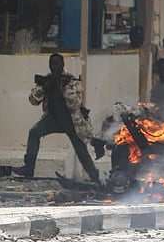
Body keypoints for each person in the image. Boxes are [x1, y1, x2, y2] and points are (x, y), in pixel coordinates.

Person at [12, 53, 101, 183]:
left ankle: (95, 177)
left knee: (81, 150)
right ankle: (29, 168)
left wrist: (64, 88)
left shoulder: (71, 81)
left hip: (72, 121)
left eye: (57, 63)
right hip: (53, 119)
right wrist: (45, 87)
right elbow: (33, 100)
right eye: (52, 64)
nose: (54, 66)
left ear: (63, 65)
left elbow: (75, 104)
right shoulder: (47, 80)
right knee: (34, 132)